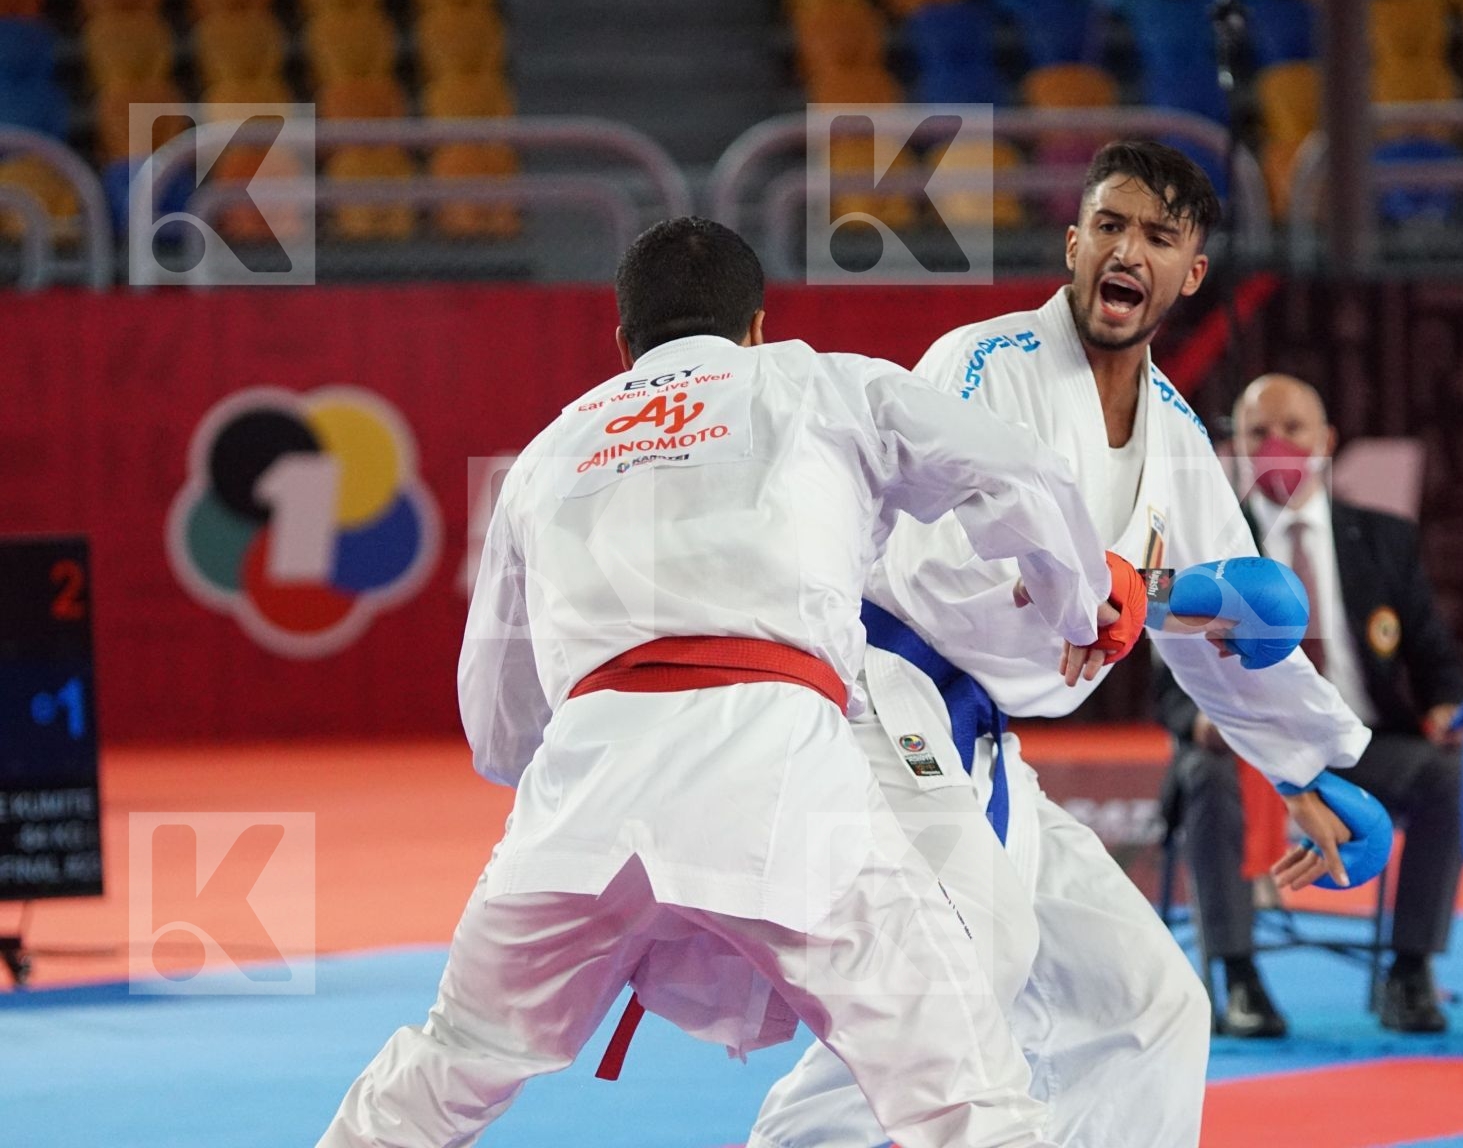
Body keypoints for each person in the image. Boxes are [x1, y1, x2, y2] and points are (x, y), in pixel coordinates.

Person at [316, 217, 1143, 1148]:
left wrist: (599, 791)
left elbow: (499, 728)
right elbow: (1015, 471)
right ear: (757, 325)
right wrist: (1082, 606)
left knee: (452, 1061)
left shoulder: (547, 454)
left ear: (623, 343)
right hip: (783, 776)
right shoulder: (820, 379)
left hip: (581, 804)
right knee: (962, 1098)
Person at [749, 142, 1372, 1148]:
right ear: (1075, 243)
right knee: (961, 967)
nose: (1129, 251)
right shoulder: (982, 363)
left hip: (986, 743)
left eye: (1159, 237)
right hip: (889, 696)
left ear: (1190, 274)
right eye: (1112, 227)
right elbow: (940, 560)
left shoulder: (1173, 432)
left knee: (1149, 1004)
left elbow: (1229, 629)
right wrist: (1101, 595)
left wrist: (1314, 768)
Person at [1154, 373, 1463, 1036]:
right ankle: (1240, 978)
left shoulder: (1383, 538)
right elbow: (1166, 683)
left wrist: (1446, 707)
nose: (1276, 445)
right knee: (1203, 774)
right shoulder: (1205, 539)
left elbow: (1435, 658)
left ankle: (1410, 972)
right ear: (1234, 449)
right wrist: (1201, 721)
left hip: (1354, 744)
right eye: (1257, 433)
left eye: (1292, 430)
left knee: (1441, 773)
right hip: (1244, 750)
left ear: (1326, 440)